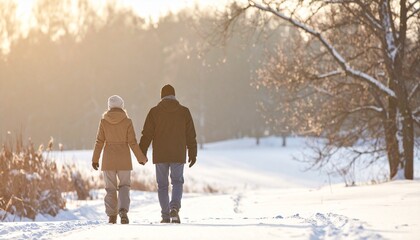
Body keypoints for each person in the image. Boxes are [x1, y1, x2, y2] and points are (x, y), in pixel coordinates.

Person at [139, 84, 197, 224]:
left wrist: (142, 152)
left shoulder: (154, 112)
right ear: (174, 96)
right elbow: (191, 135)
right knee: (177, 182)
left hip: (160, 154)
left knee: (162, 185)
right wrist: (193, 153)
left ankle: (165, 216)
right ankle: (174, 208)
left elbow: (147, 134)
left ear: (162, 96)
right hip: (178, 153)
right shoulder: (184, 111)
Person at [92, 95, 148, 224]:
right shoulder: (127, 121)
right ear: (122, 106)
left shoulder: (103, 121)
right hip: (124, 159)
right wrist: (141, 158)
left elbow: (99, 141)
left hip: (108, 160)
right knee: (124, 186)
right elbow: (132, 142)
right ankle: (123, 211)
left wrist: (95, 159)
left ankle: (112, 216)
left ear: (109, 107)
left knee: (110, 188)